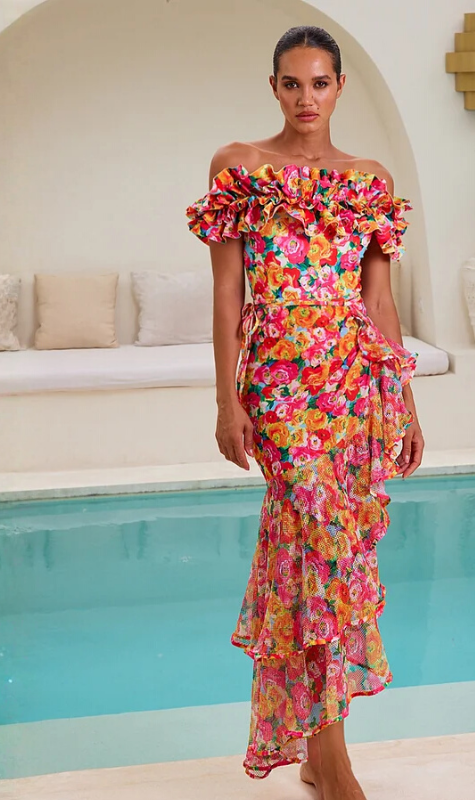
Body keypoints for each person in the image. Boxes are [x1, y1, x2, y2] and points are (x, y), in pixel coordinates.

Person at [186, 24, 424, 800]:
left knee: (332, 560)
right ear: (274, 88)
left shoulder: (369, 180)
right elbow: (228, 294)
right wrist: (227, 400)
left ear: (340, 86)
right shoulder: (239, 169)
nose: (306, 97)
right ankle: (334, 763)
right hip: (280, 384)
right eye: (292, 83)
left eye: (320, 83)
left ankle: (323, 753)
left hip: (354, 384)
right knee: (317, 550)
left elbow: (379, 302)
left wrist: (406, 402)